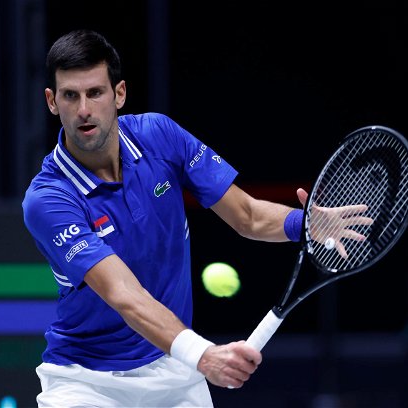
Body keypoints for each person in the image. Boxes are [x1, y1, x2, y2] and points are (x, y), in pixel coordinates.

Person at [22, 29, 373, 407]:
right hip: (87, 383)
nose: (84, 110)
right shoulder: (48, 199)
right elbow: (124, 295)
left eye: (95, 92)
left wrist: (302, 225)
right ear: (52, 102)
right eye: (70, 96)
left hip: (174, 372)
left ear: (119, 94)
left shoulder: (159, 135)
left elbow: (248, 215)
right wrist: (203, 355)